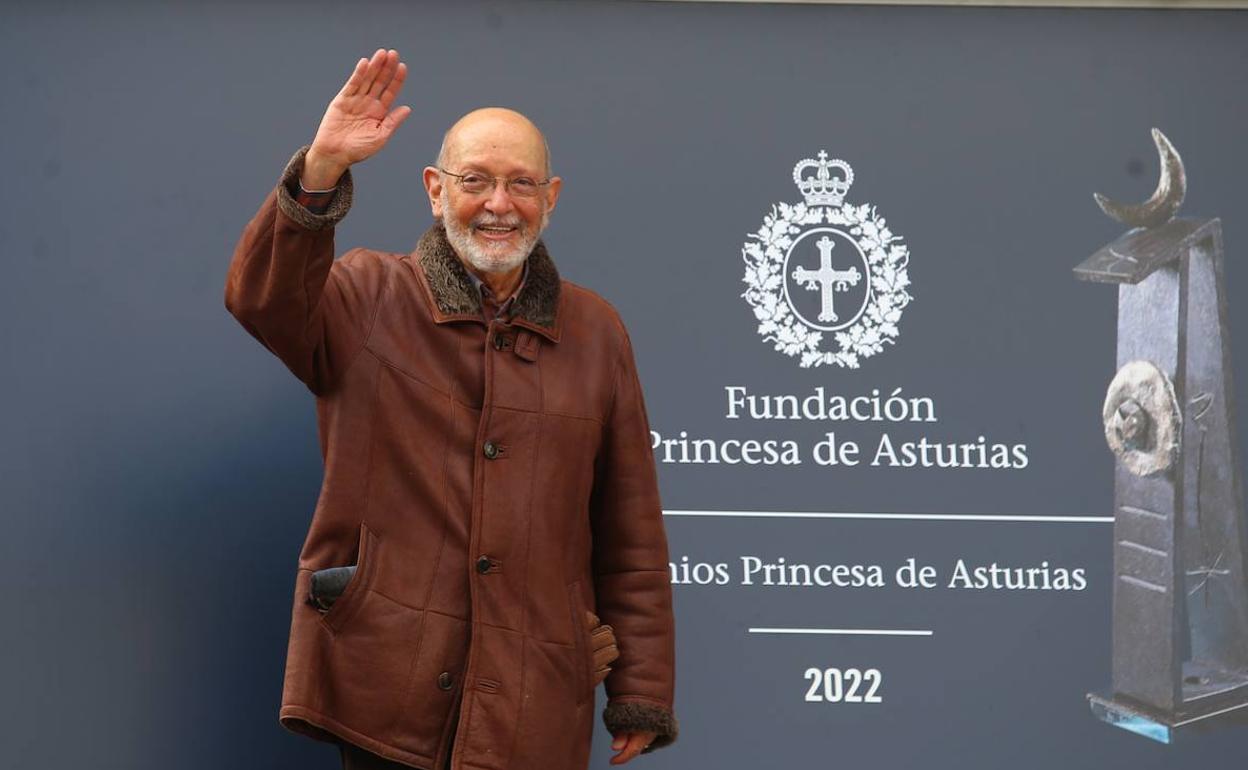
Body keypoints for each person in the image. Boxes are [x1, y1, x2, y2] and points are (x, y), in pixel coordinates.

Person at [225, 49, 677, 770]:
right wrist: (320, 173)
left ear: (551, 198)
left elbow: (630, 529)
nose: (499, 203)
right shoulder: (367, 293)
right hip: (384, 689)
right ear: (435, 189)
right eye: (475, 181)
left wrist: (641, 687)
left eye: (521, 184)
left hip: (536, 696)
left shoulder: (596, 331)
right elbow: (262, 301)